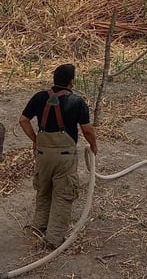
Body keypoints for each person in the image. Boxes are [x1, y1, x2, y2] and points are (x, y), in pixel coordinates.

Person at [19, 63, 97, 249]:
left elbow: (23, 120)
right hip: (64, 157)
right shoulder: (77, 102)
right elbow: (87, 130)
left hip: (42, 154)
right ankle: (54, 239)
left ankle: (39, 226)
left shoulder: (39, 97)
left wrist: (36, 139)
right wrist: (94, 145)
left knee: (43, 190)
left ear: (54, 79)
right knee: (63, 195)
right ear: (72, 81)